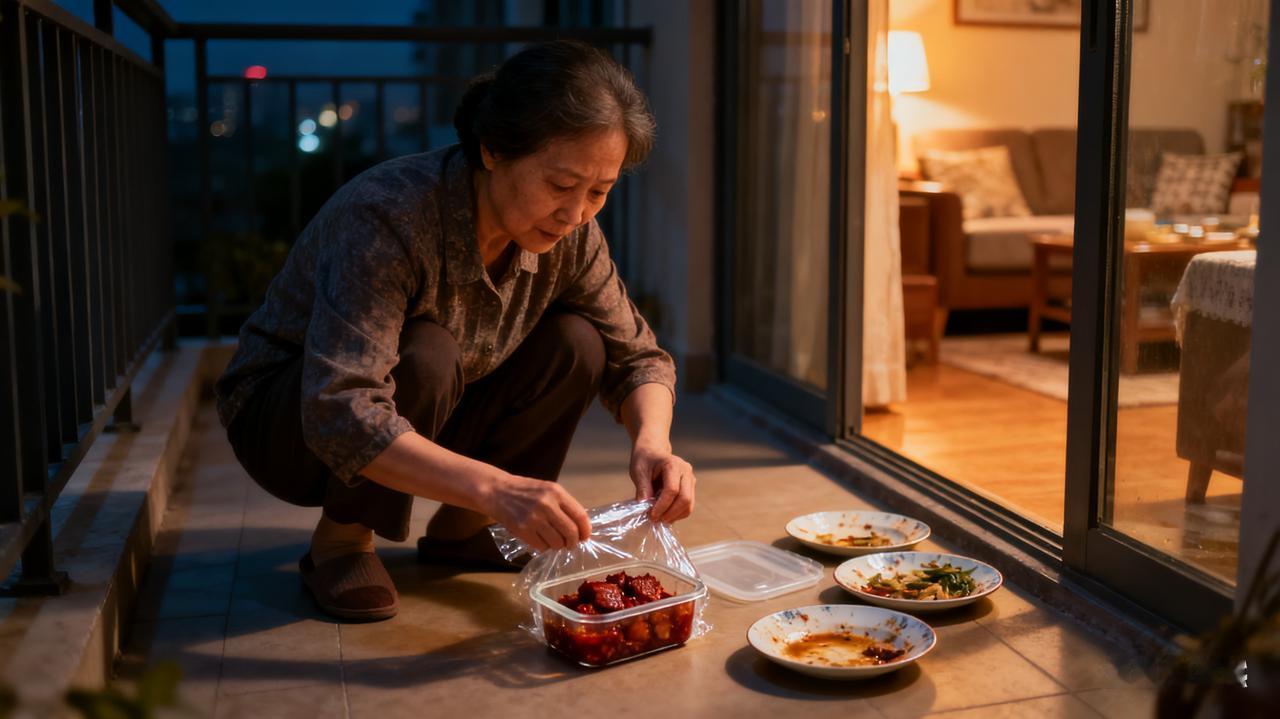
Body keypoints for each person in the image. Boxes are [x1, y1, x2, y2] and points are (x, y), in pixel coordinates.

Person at [215, 41, 696, 622]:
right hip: (288, 422)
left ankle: (464, 532)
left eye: (599, 191)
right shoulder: (391, 214)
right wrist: (498, 487)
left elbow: (636, 356)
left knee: (578, 342)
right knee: (428, 352)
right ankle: (341, 541)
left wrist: (654, 445)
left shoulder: (574, 236)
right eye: (562, 184)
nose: (576, 212)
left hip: (433, 402)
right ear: (492, 150)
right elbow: (339, 406)